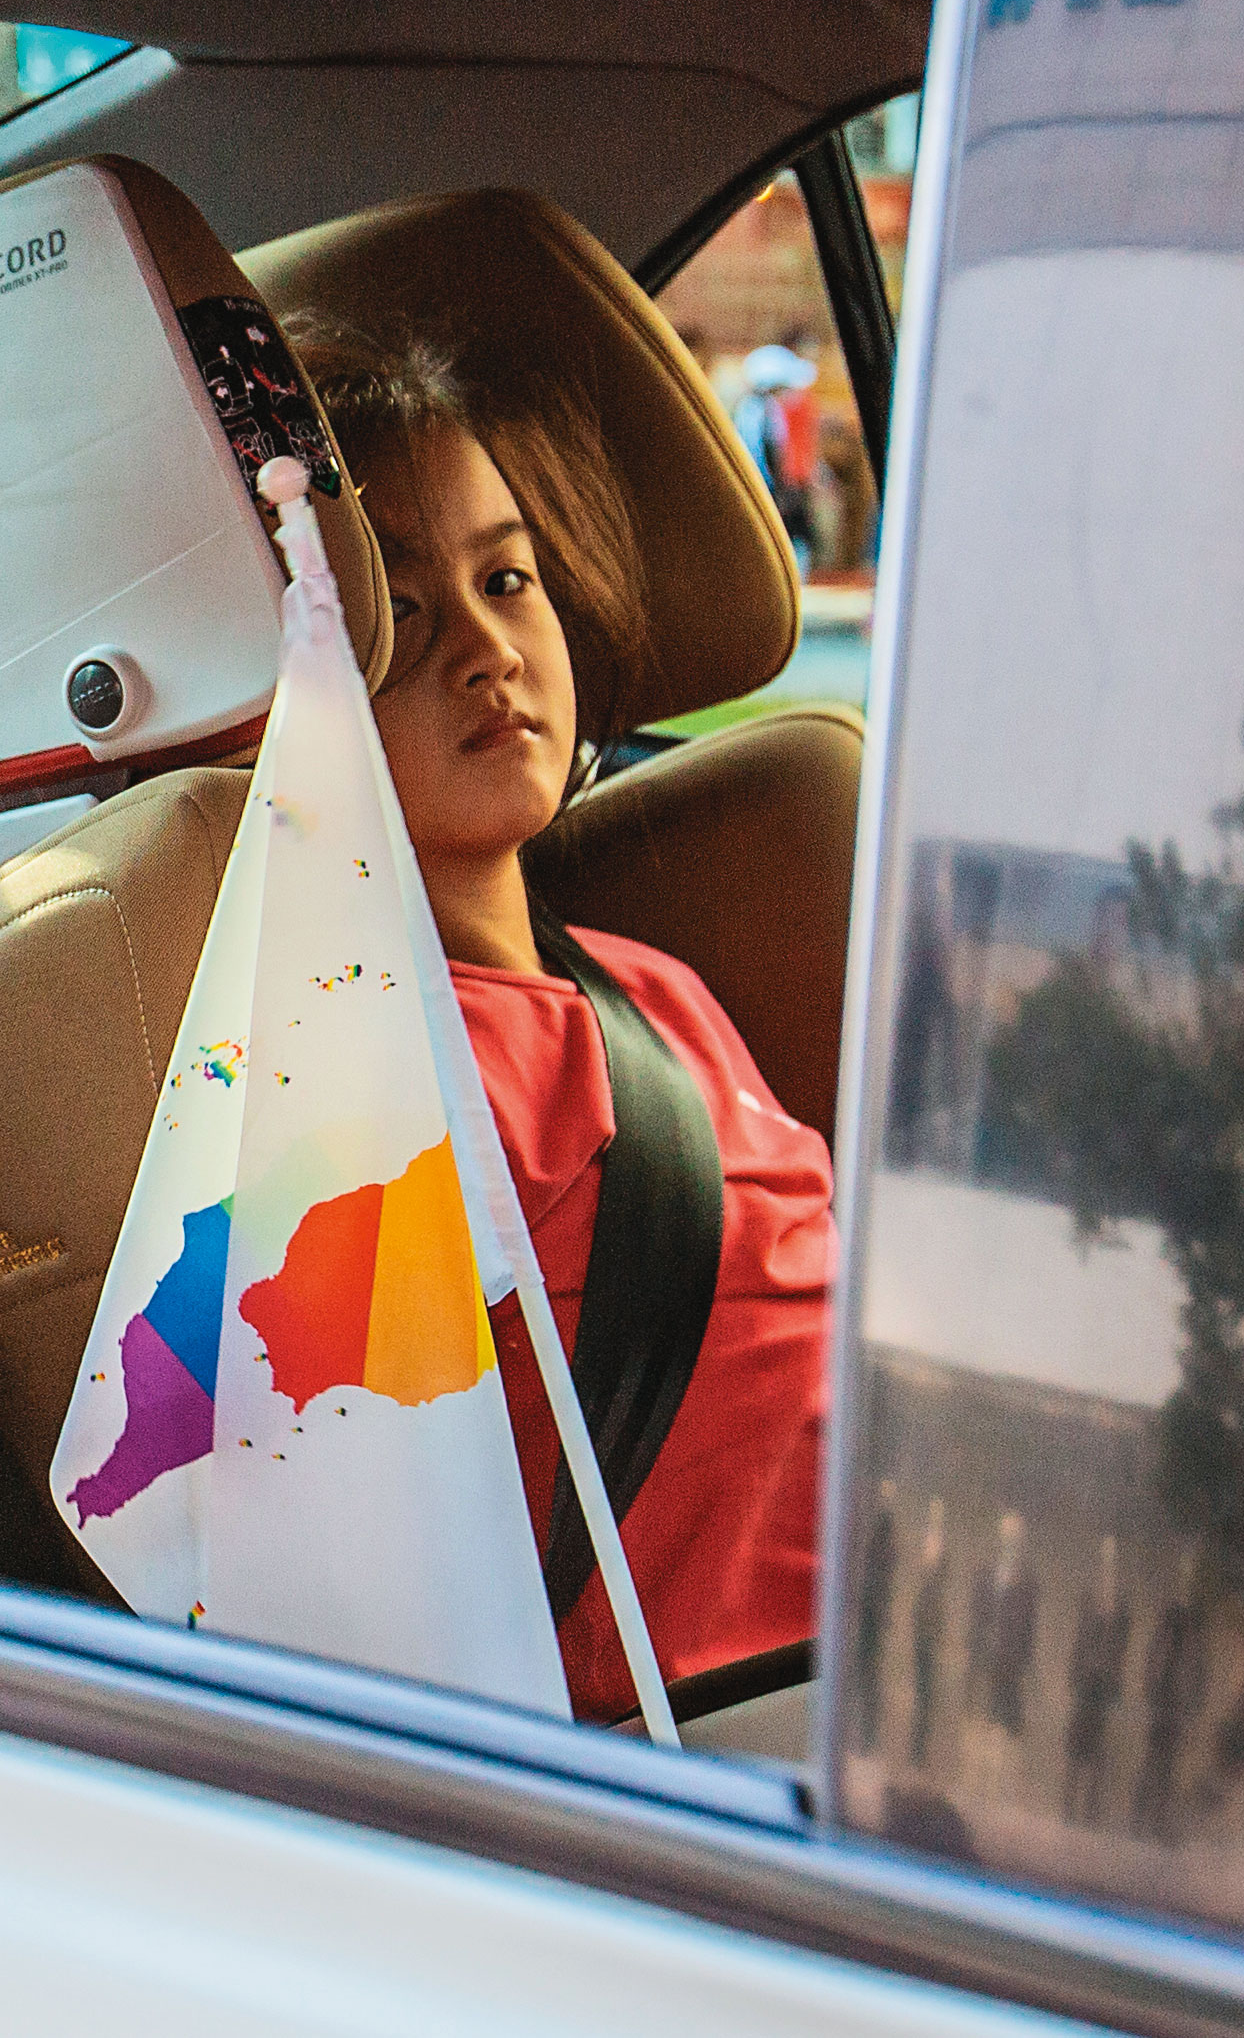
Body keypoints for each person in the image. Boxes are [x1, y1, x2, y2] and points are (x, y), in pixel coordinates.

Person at [302, 329, 839, 1723]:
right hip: (744, 1719)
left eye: (505, 578)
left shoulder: (648, 986)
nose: (486, 649)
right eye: (401, 615)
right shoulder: (358, 1087)